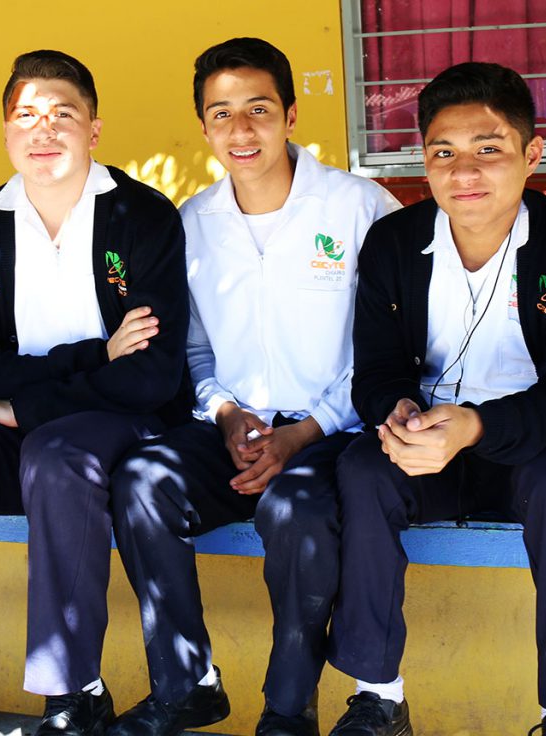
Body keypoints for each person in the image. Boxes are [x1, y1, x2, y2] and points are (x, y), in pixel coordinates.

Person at [0, 49, 190, 736]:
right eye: (26, 116)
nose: (43, 130)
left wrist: (24, 405)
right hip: (25, 433)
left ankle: (75, 690)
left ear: (94, 129)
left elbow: (150, 375)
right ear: (5, 131)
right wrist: (96, 354)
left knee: (55, 452)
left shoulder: (142, 216)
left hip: (122, 425)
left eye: (62, 115)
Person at [108, 37, 400, 736]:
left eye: (259, 109)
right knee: (142, 482)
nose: (241, 130)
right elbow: (193, 347)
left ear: (291, 115)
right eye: (222, 114)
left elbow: (391, 345)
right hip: (234, 429)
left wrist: (308, 430)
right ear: (204, 126)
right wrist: (224, 411)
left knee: (296, 515)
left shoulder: (360, 207)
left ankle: (287, 710)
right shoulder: (191, 223)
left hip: (337, 432)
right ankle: (187, 683)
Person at [330, 62, 546, 736]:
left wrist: (473, 427)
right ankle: (378, 696)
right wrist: (397, 412)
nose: (463, 172)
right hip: (431, 444)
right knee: (362, 468)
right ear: (425, 161)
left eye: (488, 149)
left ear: (531, 155)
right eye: (443, 153)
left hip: (539, 443)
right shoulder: (394, 244)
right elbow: (374, 371)